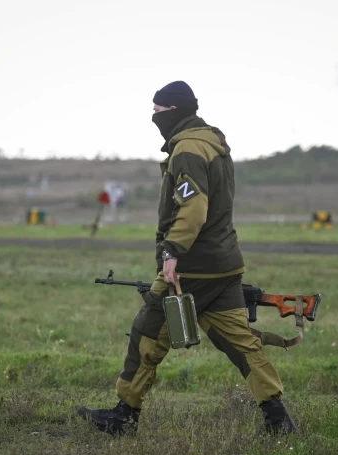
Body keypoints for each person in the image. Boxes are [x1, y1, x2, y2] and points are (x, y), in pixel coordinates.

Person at [77, 81, 297, 435]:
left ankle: (124, 415)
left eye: (158, 110)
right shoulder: (214, 146)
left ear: (175, 110)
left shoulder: (187, 151)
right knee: (240, 343)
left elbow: (194, 206)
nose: (153, 116)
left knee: (148, 331)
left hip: (190, 267)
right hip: (224, 264)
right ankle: (278, 419)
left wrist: (172, 250)